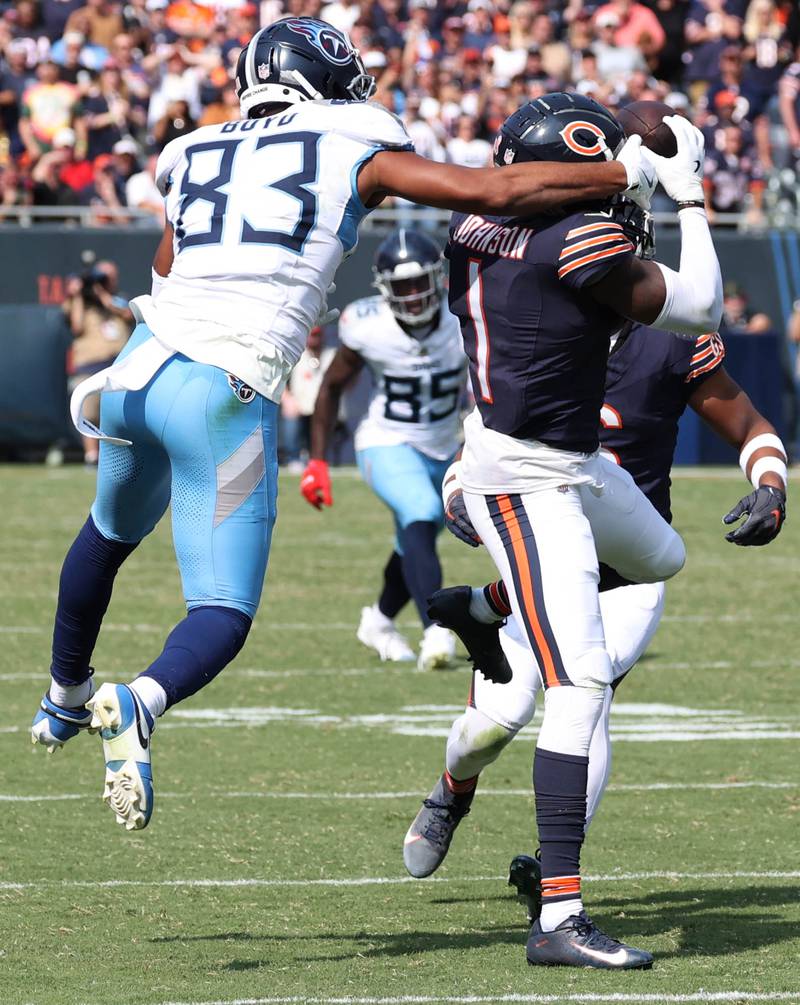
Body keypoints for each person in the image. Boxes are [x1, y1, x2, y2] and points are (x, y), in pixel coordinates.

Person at [29, 17, 657, 835]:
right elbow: (495, 193)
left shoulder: (195, 149)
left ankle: (62, 695)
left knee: (107, 534)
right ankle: (140, 699)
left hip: (139, 374)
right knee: (221, 610)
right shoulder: (352, 138)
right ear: (317, 80)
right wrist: (625, 170)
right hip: (226, 386)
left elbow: (167, 264)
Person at [405, 93, 724, 970]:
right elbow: (701, 307)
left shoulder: (479, 224)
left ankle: (489, 606)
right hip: (528, 477)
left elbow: (525, 198)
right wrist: (687, 191)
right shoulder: (575, 242)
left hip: (569, 460)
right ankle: (557, 914)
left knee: (661, 553)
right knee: (580, 682)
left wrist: (620, 154)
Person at [407, 327, 787, 921]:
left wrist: (772, 484)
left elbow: (749, 425)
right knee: (491, 727)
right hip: (543, 563)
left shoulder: (667, 346)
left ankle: (553, 869)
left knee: (587, 693)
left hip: (628, 579)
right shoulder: (529, 333)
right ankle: (452, 792)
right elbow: (476, 446)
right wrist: (458, 490)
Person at [301, 228, 465, 671]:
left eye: (419, 283)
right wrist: (317, 460)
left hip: (446, 444)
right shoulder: (368, 325)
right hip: (385, 440)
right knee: (422, 512)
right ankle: (437, 629)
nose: (412, 296)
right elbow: (331, 387)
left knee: (413, 539)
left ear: (439, 278)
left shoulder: (465, 318)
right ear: (383, 288)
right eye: (401, 286)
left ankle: (378, 620)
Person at [61, 257, 134, 464]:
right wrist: (78, 295)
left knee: (118, 414)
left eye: (109, 277)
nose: (105, 280)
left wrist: (103, 294)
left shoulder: (118, 299)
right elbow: (76, 326)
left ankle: (120, 457)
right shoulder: (81, 304)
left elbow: (127, 314)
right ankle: (92, 456)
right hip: (90, 365)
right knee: (89, 412)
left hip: (118, 366)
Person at [281, 325, 336, 472]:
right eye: (311, 335)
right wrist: (287, 399)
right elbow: (280, 379)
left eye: (317, 335)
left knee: (325, 422)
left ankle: (318, 458)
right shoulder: (295, 354)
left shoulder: (331, 354)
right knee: (291, 418)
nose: (314, 338)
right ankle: (294, 458)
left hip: (322, 406)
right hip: (299, 405)